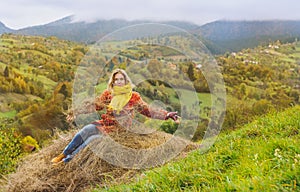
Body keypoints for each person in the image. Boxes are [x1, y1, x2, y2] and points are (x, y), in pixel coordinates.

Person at [51, 68, 180, 164]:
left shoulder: (133, 97)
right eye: (116, 79)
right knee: (85, 131)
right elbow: (95, 106)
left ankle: (67, 161)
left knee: (92, 140)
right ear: (113, 82)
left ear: (125, 81)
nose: (118, 82)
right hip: (105, 124)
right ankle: (63, 154)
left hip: (119, 130)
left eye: (121, 79)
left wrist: (167, 114)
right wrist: (76, 112)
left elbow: (147, 110)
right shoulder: (108, 94)